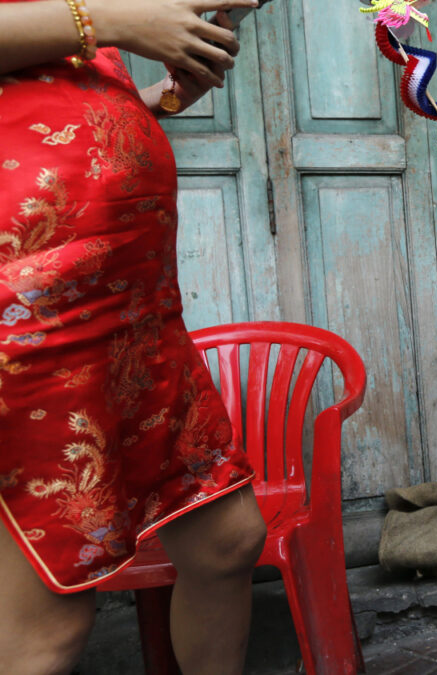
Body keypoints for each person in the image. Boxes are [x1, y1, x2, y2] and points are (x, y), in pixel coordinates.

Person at [0, 1, 266, 673]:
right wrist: (112, 21)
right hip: (32, 326)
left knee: (227, 541)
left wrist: (161, 100)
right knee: (47, 629)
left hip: (135, 315)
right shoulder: (91, 13)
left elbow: (53, 107)